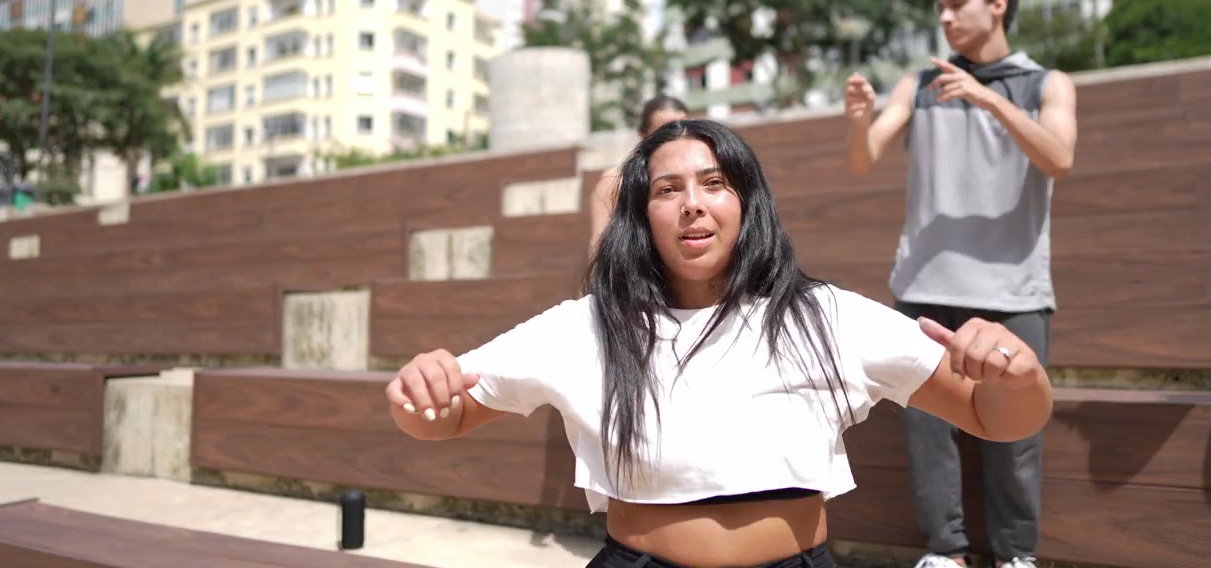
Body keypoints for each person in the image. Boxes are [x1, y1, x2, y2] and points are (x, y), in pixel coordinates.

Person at [386, 117, 1054, 568]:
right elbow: (442, 416)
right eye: (667, 190)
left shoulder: (825, 316)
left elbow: (995, 417)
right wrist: (418, 392)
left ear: (747, 202)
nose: (692, 204)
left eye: (714, 183)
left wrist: (1020, 377)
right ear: (640, 218)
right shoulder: (585, 326)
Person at [843, 0, 1078, 568]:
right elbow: (864, 159)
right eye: (940, 8)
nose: (945, 18)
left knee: (1016, 437)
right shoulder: (918, 83)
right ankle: (944, 553)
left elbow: (1059, 158)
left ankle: (1016, 556)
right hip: (924, 285)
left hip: (1014, 290)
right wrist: (860, 119)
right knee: (927, 433)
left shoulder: (1047, 83)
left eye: (959, 4)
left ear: (998, 4)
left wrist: (987, 98)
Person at [588, 95, 688, 252]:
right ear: (643, 135)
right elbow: (598, 249)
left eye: (683, 127)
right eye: (666, 131)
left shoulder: (702, 177)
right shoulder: (616, 182)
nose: (677, 137)